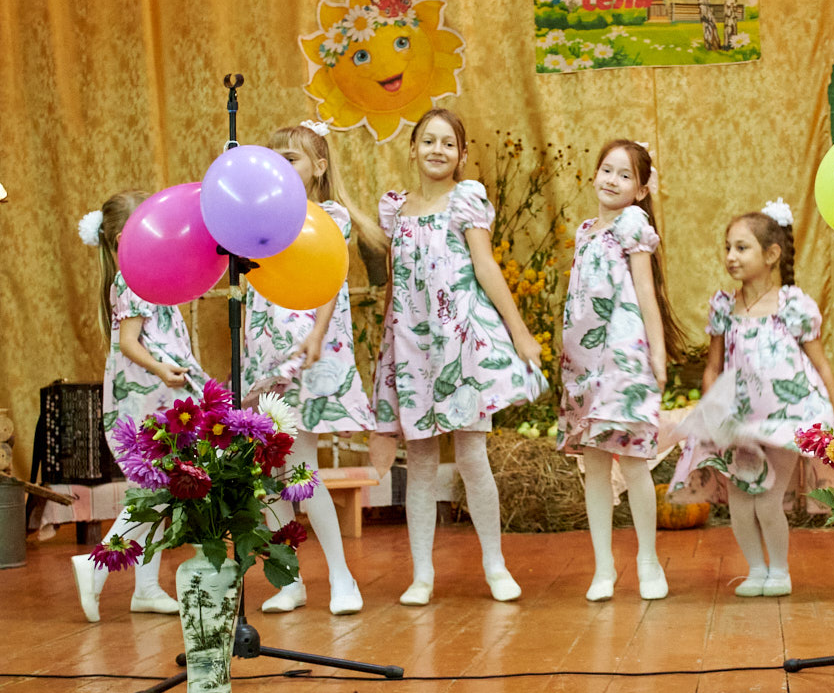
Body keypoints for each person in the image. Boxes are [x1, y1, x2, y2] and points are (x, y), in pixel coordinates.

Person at [373, 108, 546, 606]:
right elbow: (396, 285)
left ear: (462, 155)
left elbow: (485, 266)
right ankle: (422, 575)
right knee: (421, 462)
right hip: (413, 347)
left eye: (448, 143)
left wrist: (520, 334)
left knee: (471, 454)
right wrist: (387, 351)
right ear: (412, 149)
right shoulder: (396, 209)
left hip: (460, 344)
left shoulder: (466, 200)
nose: (438, 150)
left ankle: (496, 564)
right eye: (428, 140)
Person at [242, 121, 385, 615]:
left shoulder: (328, 216)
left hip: (305, 352)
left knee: (302, 469)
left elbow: (329, 280)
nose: (281, 168)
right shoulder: (258, 219)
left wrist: (319, 334)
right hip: (265, 355)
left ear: (319, 167)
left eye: (292, 159)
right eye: (275, 160)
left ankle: (343, 577)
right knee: (269, 474)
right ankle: (290, 580)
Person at [666, 198, 834, 597]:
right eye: (728, 247)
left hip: (788, 415)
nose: (731, 256)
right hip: (740, 420)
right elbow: (713, 367)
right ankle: (756, 570)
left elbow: (821, 365)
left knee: (767, 498)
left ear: (771, 254)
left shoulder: (793, 305)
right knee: (741, 500)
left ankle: (779, 571)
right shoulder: (724, 307)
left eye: (741, 248)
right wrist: (711, 412)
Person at [558, 140, 687, 602]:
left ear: (641, 189)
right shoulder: (585, 231)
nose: (612, 180)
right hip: (583, 362)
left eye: (625, 175)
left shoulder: (632, 223)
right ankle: (603, 567)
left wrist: (658, 353)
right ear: (594, 174)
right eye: (607, 170)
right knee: (594, 465)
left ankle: (648, 560)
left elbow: (646, 292)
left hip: (623, 358)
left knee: (632, 461)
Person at [72, 190, 207, 622]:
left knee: (158, 491)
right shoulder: (132, 277)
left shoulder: (152, 275)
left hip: (161, 393)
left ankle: (145, 588)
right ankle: (96, 565)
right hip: (148, 396)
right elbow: (130, 343)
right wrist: (163, 369)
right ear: (122, 240)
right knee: (154, 490)